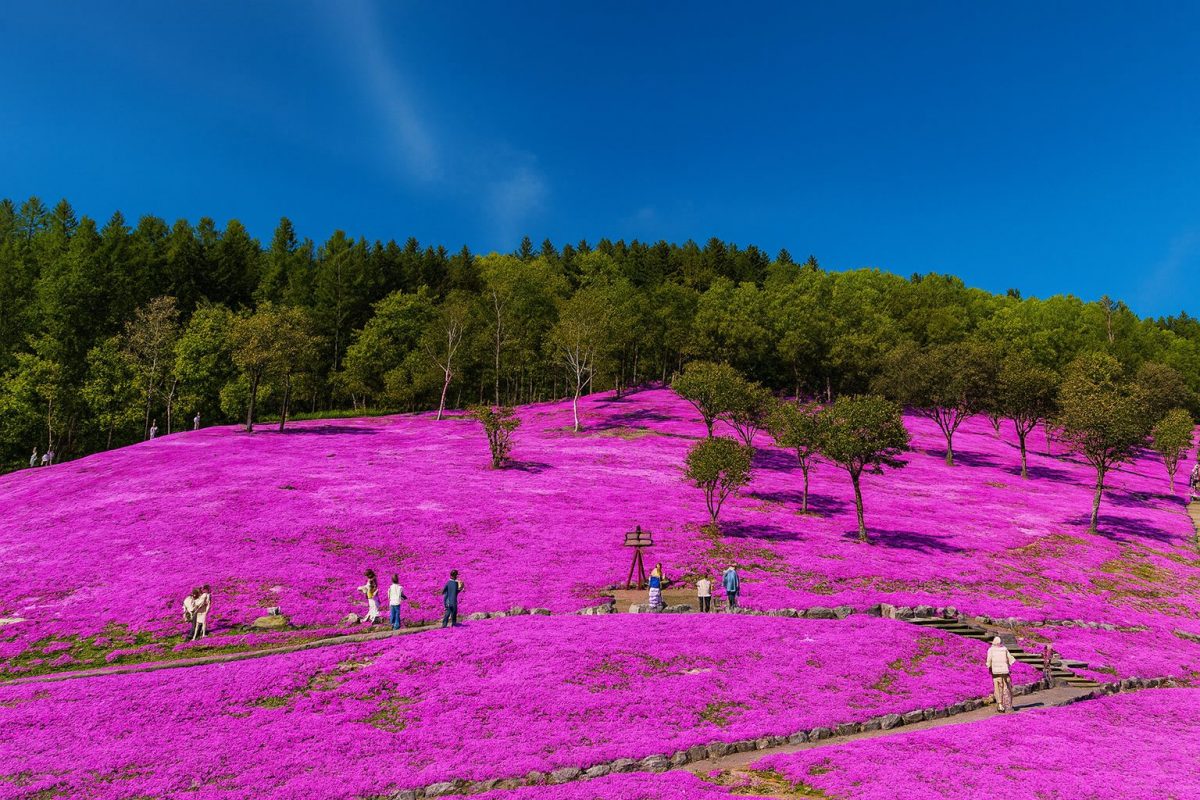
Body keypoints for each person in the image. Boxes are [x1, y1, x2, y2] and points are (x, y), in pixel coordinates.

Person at [986, 636, 1016, 712]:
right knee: (1007, 687)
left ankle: (1000, 705)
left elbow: (988, 661)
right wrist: (1007, 665)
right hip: (1005, 672)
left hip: (996, 673)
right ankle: (1008, 705)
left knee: (997, 688)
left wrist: (989, 667)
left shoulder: (991, 650)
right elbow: (1011, 660)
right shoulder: (1004, 649)